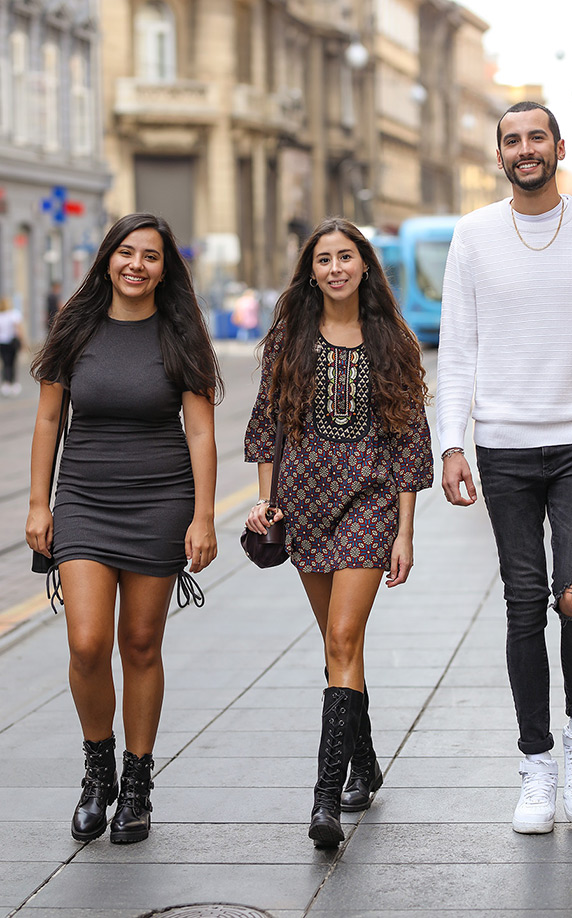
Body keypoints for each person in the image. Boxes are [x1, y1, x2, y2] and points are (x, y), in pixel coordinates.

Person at [437, 102, 572, 835]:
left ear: (559, 147)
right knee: (522, 599)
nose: (525, 149)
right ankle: (535, 761)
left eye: (537, 137)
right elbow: (458, 347)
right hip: (501, 445)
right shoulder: (472, 236)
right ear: (498, 154)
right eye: (512, 140)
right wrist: (452, 444)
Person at [25, 213, 222, 845]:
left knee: (139, 644)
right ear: (108, 258)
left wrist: (203, 516)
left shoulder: (180, 333)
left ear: (167, 268)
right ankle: (97, 769)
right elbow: (49, 420)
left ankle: (137, 785)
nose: (137, 265)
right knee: (86, 643)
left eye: (152, 256)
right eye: (127, 253)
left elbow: (200, 431)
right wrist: (38, 504)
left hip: (161, 500)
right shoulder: (75, 327)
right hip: (83, 497)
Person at [244, 217, 433, 847]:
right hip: (304, 504)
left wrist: (404, 531)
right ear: (311, 271)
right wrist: (265, 502)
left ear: (364, 266)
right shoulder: (290, 341)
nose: (335, 268)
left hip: (370, 504)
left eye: (345, 257)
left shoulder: (392, 341)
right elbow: (267, 426)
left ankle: (324, 800)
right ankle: (367, 764)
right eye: (323, 259)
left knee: (345, 634)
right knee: (337, 644)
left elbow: (409, 440)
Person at [0, 296, 25, 396]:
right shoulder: (13, 314)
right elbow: (18, 329)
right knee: (12, 362)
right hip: (11, 342)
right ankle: (13, 383)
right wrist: (22, 342)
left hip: (2, 342)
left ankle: (6, 382)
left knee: (5, 363)